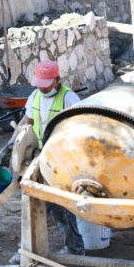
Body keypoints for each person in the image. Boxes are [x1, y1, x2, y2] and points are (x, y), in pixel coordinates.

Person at [21, 60, 85, 255]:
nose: (41, 87)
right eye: (39, 83)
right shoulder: (35, 96)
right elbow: (28, 121)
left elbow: (81, 127)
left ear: (57, 80)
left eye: (46, 83)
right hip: (42, 156)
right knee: (50, 206)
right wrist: (17, 142)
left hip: (65, 159)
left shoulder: (69, 98)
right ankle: (65, 244)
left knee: (66, 205)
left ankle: (76, 248)